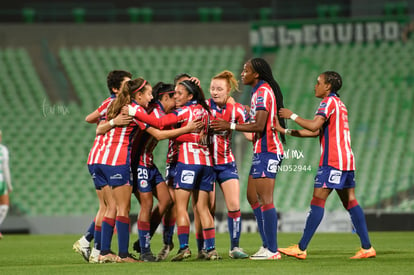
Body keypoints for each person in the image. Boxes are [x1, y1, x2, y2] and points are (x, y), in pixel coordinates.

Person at [277, 71, 376, 259]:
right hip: (346, 160)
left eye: (318, 82)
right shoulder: (339, 104)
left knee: (317, 200)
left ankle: (301, 247)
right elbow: (316, 133)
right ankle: (367, 248)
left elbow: (314, 127)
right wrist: (286, 131)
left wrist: (292, 115)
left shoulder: (328, 102)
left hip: (333, 161)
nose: (315, 86)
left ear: (328, 86)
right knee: (350, 201)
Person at [125, 80, 220, 261]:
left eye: (179, 93)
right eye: (174, 94)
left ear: (189, 96)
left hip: (187, 162)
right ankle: (211, 249)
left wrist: (133, 111)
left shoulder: (181, 111)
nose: (176, 97)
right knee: (201, 208)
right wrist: (190, 134)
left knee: (180, 207)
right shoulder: (205, 110)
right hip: (207, 163)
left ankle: (183, 247)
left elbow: (160, 126)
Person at [211, 58, 286, 260]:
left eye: (246, 70)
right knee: (252, 197)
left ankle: (272, 250)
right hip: (260, 151)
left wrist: (231, 126)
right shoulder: (257, 92)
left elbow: (259, 126)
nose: (242, 73)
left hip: (268, 150)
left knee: (266, 199)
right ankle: (266, 245)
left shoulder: (262, 93)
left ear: (257, 74)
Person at [73, 70, 132, 263]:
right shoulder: (117, 103)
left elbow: (90, 118)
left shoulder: (108, 103)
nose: (129, 88)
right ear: (116, 88)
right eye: (126, 84)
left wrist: (105, 118)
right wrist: (112, 121)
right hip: (107, 157)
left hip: (96, 157)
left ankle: (89, 243)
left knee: (105, 206)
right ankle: (98, 250)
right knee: (111, 207)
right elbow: (93, 122)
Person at [207, 70, 250, 259]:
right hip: (206, 164)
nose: (215, 92)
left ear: (228, 90)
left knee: (234, 205)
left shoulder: (237, 110)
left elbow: (249, 135)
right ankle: (207, 248)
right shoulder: (203, 107)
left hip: (226, 163)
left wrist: (265, 125)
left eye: (219, 89)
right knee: (208, 208)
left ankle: (234, 248)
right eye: (212, 88)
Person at [0, 130, 13, 239]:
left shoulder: (3, 149)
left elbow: (5, 168)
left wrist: (9, 184)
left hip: (1, 180)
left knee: (4, 206)